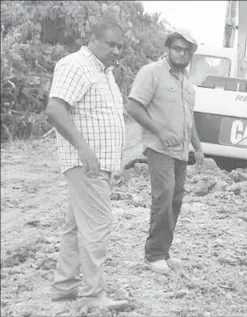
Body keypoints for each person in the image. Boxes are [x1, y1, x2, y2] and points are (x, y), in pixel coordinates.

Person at [44, 18, 129, 310]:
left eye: (120, 46)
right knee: (98, 224)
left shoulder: (104, 72)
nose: (117, 51)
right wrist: (84, 149)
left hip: (96, 163)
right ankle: (93, 295)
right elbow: (55, 108)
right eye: (111, 44)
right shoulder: (77, 65)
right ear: (93, 40)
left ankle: (64, 286)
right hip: (87, 163)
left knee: (76, 226)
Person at [126, 29, 204, 275]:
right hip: (159, 149)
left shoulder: (187, 82)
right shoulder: (152, 73)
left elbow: (188, 119)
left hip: (181, 152)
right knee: (164, 197)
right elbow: (133, 106)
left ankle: (164, 251)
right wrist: (159, 131)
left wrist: (199, 149)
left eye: (186, 50)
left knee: (175, 200)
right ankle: (153, 255)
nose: (181, 54)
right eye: (177, 49)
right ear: (168, 49)